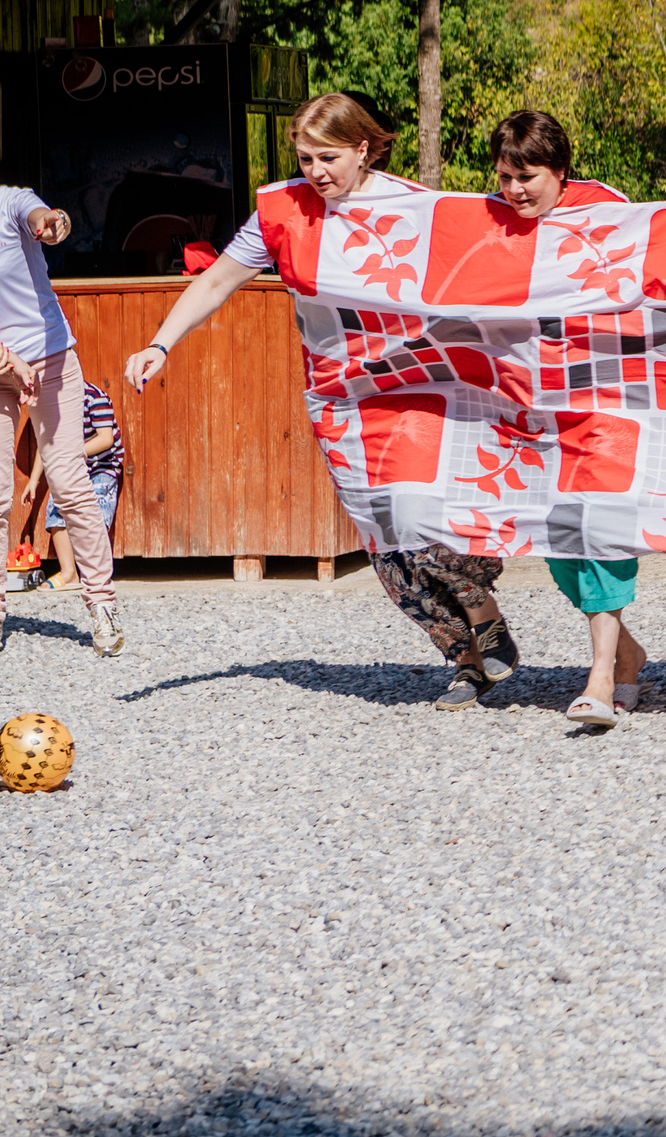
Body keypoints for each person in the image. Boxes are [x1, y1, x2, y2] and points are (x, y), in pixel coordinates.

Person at [125, 95, 510, 695]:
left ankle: (481, 610)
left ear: (364, 148)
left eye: (328, 157)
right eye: (305, 159)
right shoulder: (282, 211)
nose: (316, 171)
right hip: (340, 395)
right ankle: (462, 658)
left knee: (421, 513)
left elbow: (499, 258)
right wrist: (161, 344)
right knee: (385, 540)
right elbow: (220, 279)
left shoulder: (415, 207)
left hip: (417, 386)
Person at [486, 110, 649, 729]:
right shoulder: (494, 218)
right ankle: (627, 652)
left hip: (606, 398)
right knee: (554, 540)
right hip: (530, 405)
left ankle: (602, 675)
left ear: (559, 171)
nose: (514, 190)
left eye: (526, 177)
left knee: (600, 531)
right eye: (504, 177)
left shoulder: (607, 209)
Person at [0, 183, 122, 654]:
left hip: (50, 360)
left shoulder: (11, 202)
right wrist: (9, 362)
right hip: (3, 369)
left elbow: (45, 218)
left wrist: (53, 223)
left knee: (70, 481)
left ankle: (101, 604)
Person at [20, 377, 122, 597]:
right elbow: (46, 442)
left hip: (101, 467)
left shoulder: (94, 397)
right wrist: (34, 479)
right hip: (70, 465)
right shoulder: (53, 404)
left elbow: (106, 439)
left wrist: (74, 453)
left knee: (96, 512)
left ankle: (97, 575)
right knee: (56, 508)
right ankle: (69, 572)